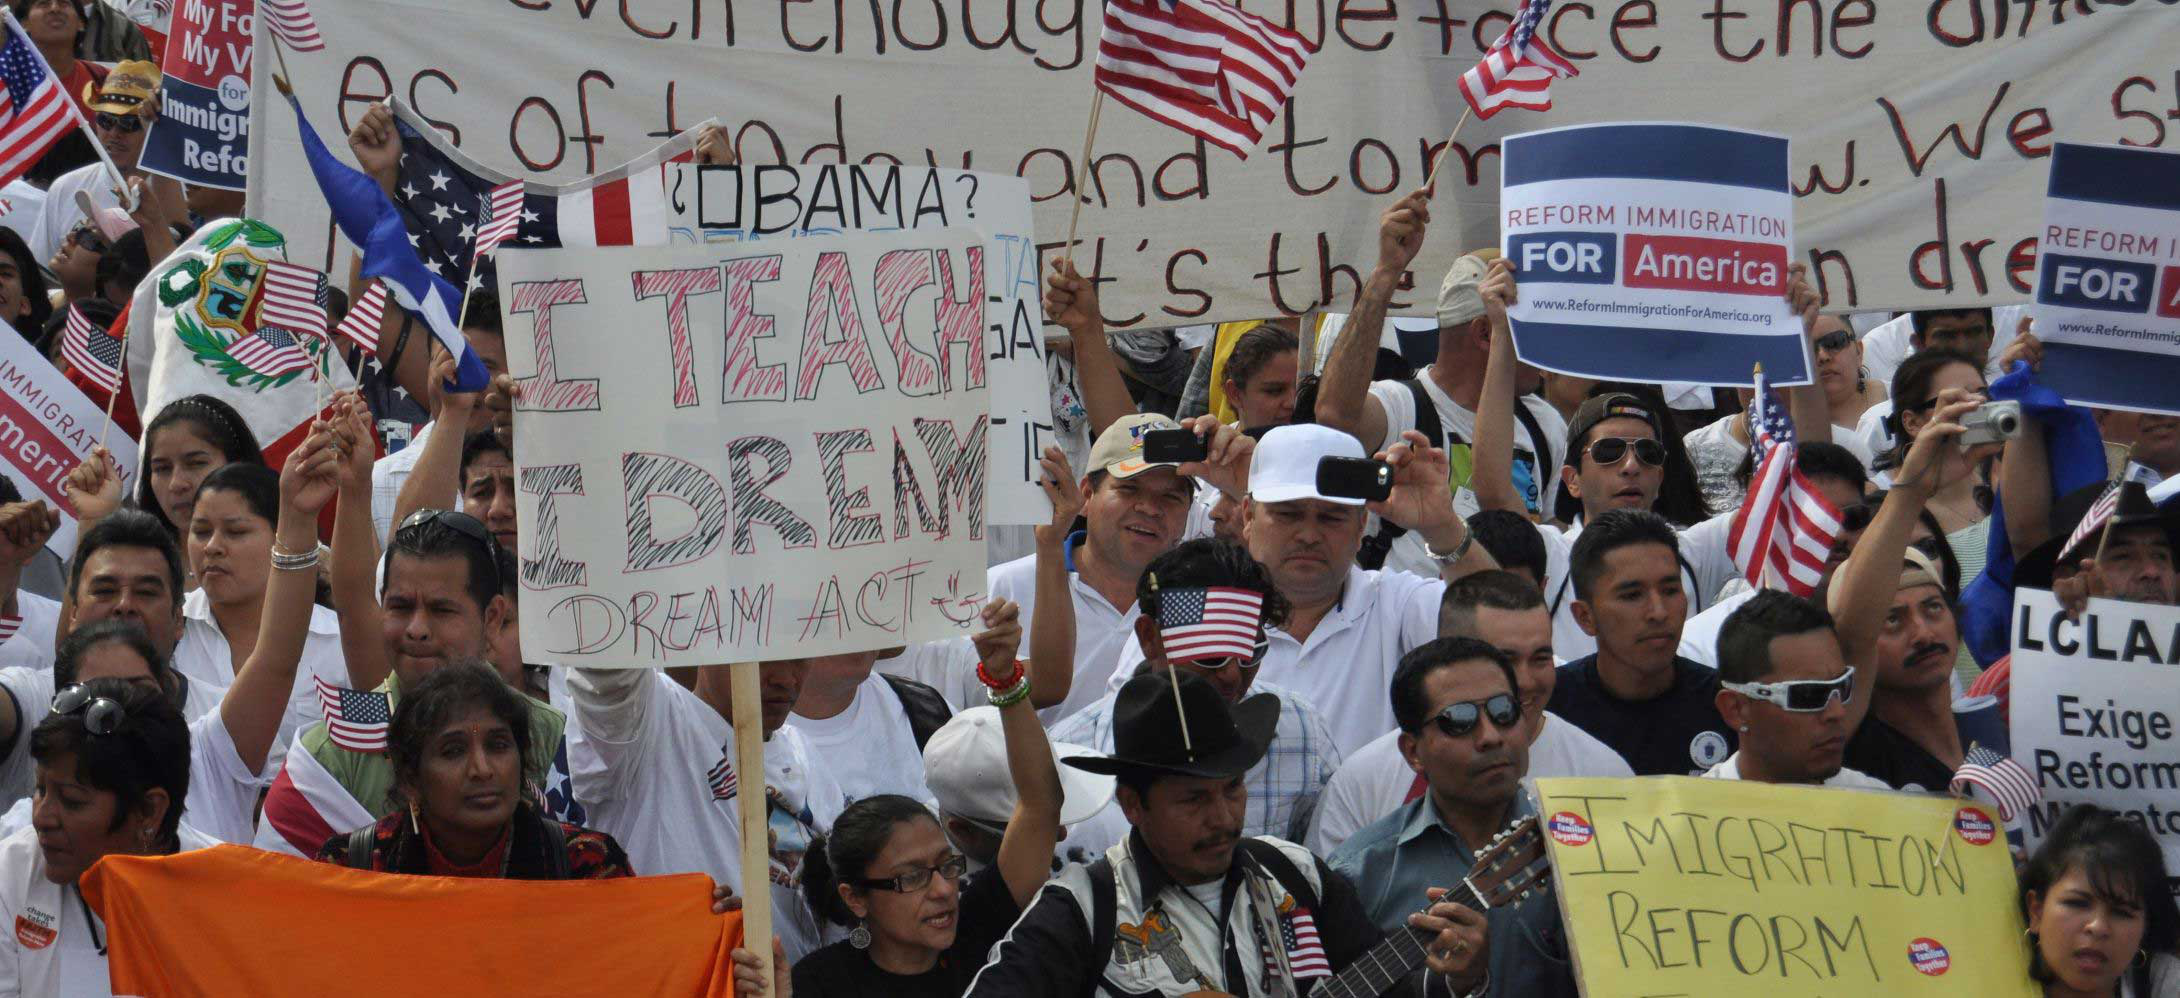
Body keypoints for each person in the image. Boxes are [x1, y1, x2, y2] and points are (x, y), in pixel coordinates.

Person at [968, 670, 1485, 997]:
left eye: (1233, 788)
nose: (1223, 817)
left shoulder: (1295, 872)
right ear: (1132, 804)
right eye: (1193, 799)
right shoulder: (1084, 907)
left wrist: (1460, 981)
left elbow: (1393, 988)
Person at [255, 396, 562, 856]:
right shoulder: (331, 755)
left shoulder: (552, 741)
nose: (416, 629)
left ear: (493, 618)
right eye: (400, 607)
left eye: (442, 610)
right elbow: (273, 899)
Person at [1103, 422, 1496, 756]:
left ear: (1362, 526)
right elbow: (1122, 726)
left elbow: (1502, 634)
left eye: (1331, 517)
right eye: (1288, 514)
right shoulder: (1194, 604)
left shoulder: (1398, 604)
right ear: (1248, 516)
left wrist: (1442, 526)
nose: (1309, 535)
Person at [792, 602, 1063, 994]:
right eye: (911, 877)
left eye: (948, 866)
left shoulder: (977, 934)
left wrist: (1004, 679)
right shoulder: (817, 984)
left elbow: (1040, 803)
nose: (942, 890)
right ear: (855, 898)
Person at [1316, 190, 1566, 572]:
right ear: (1486, 334)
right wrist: (1386, 273)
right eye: (1531, 334)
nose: (1546, 357)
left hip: (1507, 624)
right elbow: (1334, 415)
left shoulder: (1544, 423)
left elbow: (1546, 547)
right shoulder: (1402, 406)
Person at [1053, 539, 1341, 855]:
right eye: (1210, 655)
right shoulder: (1070, 753)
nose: (1232, 674)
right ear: (1150, 638)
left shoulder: (1301, 731)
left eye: (1250, 653)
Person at [1310, 571, 1630, 855]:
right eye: (1503, 661)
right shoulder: (1364, 780)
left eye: (1541, 658)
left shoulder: (1604, 776)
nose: (1527, 681)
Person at [1330, 637, 1577, 997]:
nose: (1491, 736)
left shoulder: (1586, 845)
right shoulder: (1362, 873)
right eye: (1458, 720)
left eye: (1504, 711)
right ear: (1413, 751)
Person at [984, 413, 1243, 724]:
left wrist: (1244, 482)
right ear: (1087, 495)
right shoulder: (1001, 589)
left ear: (1190, 511)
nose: (1149, 508)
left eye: (1170, 497)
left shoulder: (1203, 603)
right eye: (1129, 490)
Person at [318, 661, 633, 879]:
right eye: (453, 751)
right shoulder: (354, 866)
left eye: (498, 746)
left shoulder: (587, 865)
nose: (482, 770)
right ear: (411, 779)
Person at [0, 679, 215, 994]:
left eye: (72, 800)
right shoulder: (9, 878)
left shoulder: (225, 896)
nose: (41, 818)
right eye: (40, 789)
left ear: (149, 810)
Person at [175, 462, 351, 749]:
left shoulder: (338, 641)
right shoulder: (169, 631)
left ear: (281, 538)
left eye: (235, 532)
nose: (212, 547)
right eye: (202, 531)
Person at [1967, 481, 2180, 717]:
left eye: (2161, 556)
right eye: (2123, 557)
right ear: (2068, 577)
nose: (2151, 571)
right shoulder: (2011, 683)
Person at [1705, 591, 1888, 788]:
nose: (1837, 712)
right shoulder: (1685, 812)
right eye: (1808, 695)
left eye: (1842, 686)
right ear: (1736, 709)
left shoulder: (1881, 805)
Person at [2018, 805, 2180, 997]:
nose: (2098, 927)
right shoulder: (1987, 977)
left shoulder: (2164, 982)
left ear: (2144, 928)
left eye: (2122, 913)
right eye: (2077, 904)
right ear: (2036, 911)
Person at [65, 394, 266, 541]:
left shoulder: (278, 553)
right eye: (162, 468)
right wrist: (93, 521)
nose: (176, 484)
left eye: (196, 463)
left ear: (236, 465)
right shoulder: (135, 562)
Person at [27, 61, 157, 263]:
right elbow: (40, 270)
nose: (114, 133)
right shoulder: (66, 187)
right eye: (106, 120)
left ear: (154, 129)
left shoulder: (178, 193)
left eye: (129, 124)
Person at [1218, 322, 1300, 431]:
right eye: (1275, 391)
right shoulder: (1215, 447)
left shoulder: (1319, 445)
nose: (1292, 402)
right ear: (1235, 394)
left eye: (1300, 388)